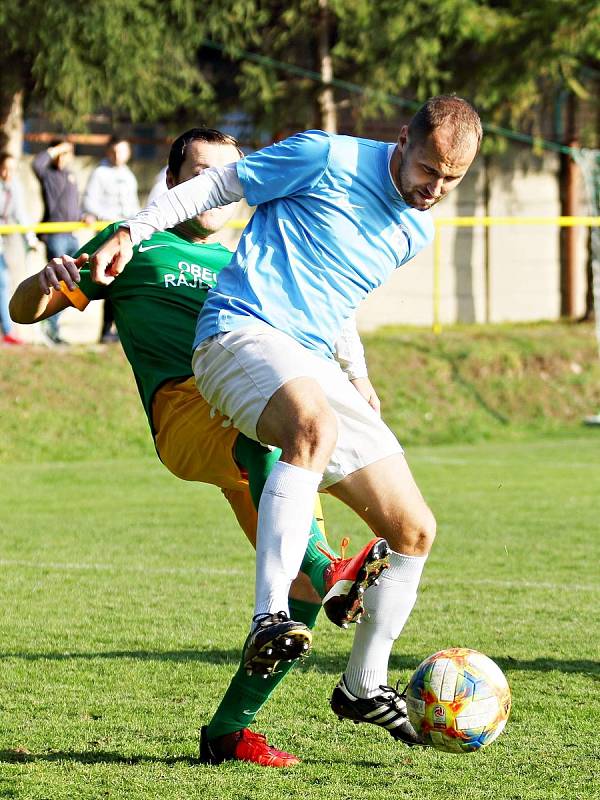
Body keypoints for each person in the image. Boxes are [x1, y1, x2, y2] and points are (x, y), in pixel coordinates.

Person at [89, 95, 482, 747]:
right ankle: (269, 615)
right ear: (402, 141)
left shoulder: (415, 231)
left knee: (413, 530)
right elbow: (219, 184)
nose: (434, 187)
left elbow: (335, 295)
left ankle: (363, 685)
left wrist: (356, 374)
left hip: (307, 358)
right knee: (312, 430)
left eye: (452, 179)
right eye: (428, 168)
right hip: (237, 334)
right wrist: (134, 229)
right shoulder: (325, 155)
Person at [10, 127, 389, 767]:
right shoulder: (137, 244)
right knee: (273, 455)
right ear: (174, 183)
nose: (220, 187)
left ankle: (229, 730)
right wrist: (47, 280)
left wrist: (357, 377)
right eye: (204, 171)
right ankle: (335, 573)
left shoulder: (253, 257)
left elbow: (328, 315)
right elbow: (25, 311)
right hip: (186, 412)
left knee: (295, 593)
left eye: (231, 174)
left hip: (263, 434)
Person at [83, 135, 140, 342]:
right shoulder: (100, 173)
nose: (118, 156)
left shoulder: (128, 175)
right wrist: (109, 219)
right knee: (107, 282)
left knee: (120, 282)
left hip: (126, 237)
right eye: (115, 151)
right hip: (108, 237)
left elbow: (133, 207)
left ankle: (114, 330)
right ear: (108, 152)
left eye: (122, 151)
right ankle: (106, 330)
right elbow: (89, 203)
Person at [32, 139, 82, 344]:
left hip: (71, 235)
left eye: (67, 154)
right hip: (55, 236)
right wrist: (55, 149)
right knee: (57, 285)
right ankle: (49, 329)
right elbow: (36, 164)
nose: (63, 158)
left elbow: (73, 204)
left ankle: (54, 328)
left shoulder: (70, 175)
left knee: (74, 285)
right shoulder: (48, 174)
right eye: (60, 154)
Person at [0, 152, 39, 345]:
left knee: (2, 282)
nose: (8, 173)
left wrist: (30, 238)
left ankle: (8, 331)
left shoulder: (14, 187)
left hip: (1, 243)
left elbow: (20, 213)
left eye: (13, 169)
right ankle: (7, 331)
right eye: (5, 168)